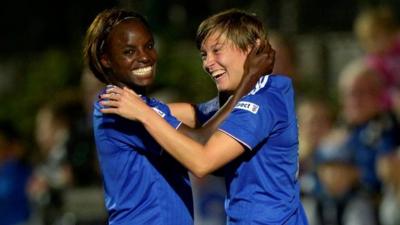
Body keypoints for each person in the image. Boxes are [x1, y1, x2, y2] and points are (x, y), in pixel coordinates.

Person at [100, 9, 308, 225]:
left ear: (251, 49)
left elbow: (202, 161)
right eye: (204, 54)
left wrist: (144, 114)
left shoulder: (260, 102)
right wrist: (142, 107)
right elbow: (194, 114)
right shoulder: (265, 94)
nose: (208, 63)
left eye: (217, 50)